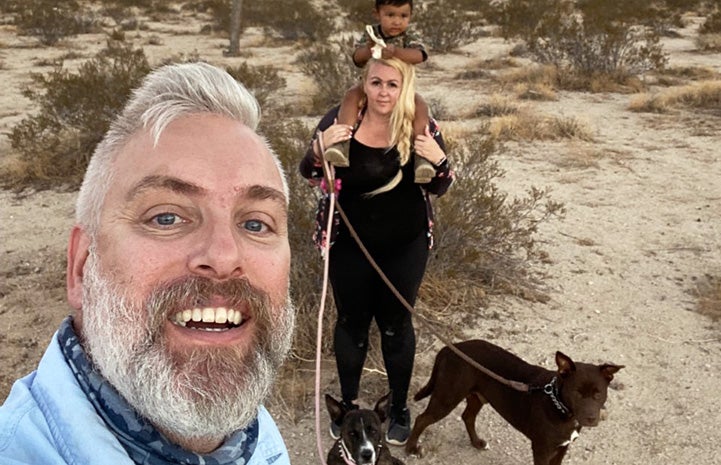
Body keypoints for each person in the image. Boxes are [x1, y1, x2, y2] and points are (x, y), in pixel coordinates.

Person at [0, 62, 296, 465]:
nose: (225, 257)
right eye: (166, 218)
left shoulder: (255, 438)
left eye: (256, 223)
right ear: (81, 267)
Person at [299, 57, 454, 446]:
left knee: (396, 325)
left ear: (404, 88)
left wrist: (440, 161)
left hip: (405, 246)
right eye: (376, 83)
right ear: (364, 84)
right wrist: (320, 151)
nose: (383, 92)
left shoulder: (421, 125)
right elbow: (309, 170)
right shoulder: (341, 119)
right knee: (351, 322)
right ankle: (349, 407)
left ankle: (398, 407)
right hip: (349, 245)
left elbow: (440, 184)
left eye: (392, 85)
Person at [323, 0, 437, 184]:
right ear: (377, 14)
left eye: (403, 16)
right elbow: (357, 59)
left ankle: (422, 157)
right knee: (352, 95)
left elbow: (419, 55)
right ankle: (341, 143)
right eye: (390, 15)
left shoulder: (410, 36)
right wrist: (370, 49)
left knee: (420, 107)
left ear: (411, 16)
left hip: (402, 88)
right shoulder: (372, 33)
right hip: (371, 83)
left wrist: (395, 52)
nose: (397, 22)